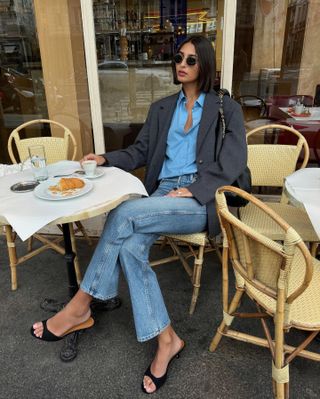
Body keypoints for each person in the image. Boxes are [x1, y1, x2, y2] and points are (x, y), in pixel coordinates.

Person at [31, 35, 247, 394]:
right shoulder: (163, 107)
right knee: (130, 246)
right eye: (178, 57)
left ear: (205, 64)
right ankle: (167, 340)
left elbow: (233, 162)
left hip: (201, 198)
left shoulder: (227, 108)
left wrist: (194, 189)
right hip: (163, 192)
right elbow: (140, 151)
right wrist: (105, 158)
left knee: (125, 212)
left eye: (191, 60)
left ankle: (80, 307)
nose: (182, 64)